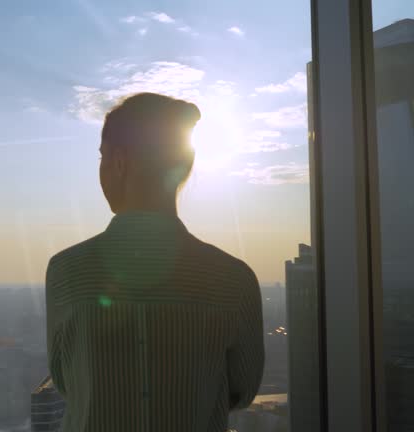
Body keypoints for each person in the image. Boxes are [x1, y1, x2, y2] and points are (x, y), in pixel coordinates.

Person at [45, 93, 265, 432]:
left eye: (102, 157)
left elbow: (66, 382)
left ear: (119, 162)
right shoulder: (234, 279)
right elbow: (240, 391)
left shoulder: (66, 271)